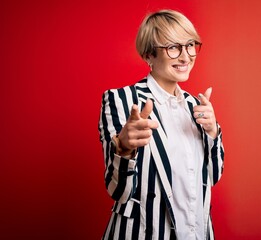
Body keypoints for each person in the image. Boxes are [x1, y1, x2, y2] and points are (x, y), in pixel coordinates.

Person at [98, 9, 224, 240]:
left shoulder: (196, 105)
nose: (186, 56)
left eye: (190, 45)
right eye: (173, 47)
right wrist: (124, 148)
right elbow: (117, 190)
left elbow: (212, 177)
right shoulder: (122, 100)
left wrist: (213, 133)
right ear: (149, 55)